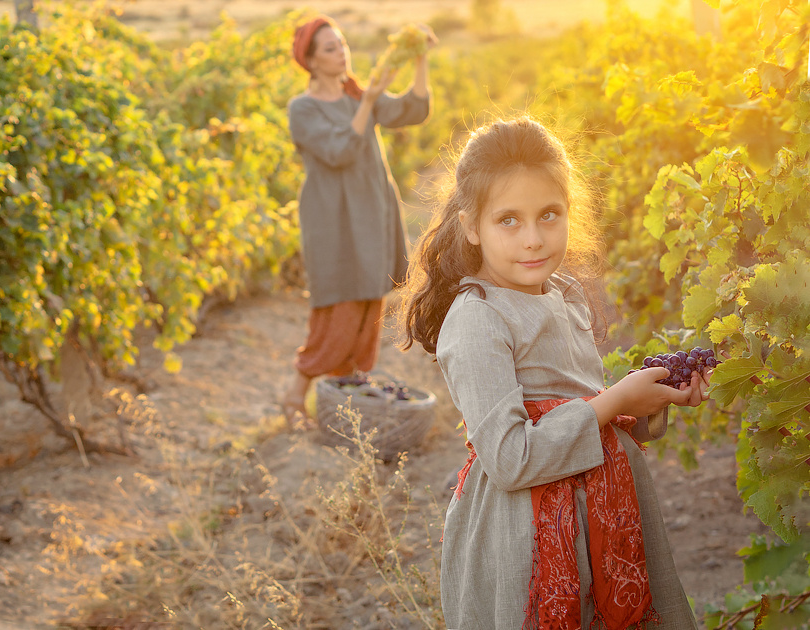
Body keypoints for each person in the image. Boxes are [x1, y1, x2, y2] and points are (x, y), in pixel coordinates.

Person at [398, 116, 709, 629]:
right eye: (509, 221)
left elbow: (584, 406)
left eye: (549, 215)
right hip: (527, 530)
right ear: (471, 225)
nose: (534, 239)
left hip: (606, 512)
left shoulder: (563, 294)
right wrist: (615, 402)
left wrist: (644, 401)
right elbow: (511, 458)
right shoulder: (477, 318)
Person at [281, 15, 435, 424]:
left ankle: (345, 397)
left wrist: (419, 60)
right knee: (339, 303)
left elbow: (411, 110)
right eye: (330, 48)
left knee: (370, 297)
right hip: (332, 221)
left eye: (342, 44)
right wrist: (368, 102)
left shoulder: (357, 95)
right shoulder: (303, 109)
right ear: (311, 61)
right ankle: (296, 393)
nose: (341, 52)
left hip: (372, 210)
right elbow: (339, 152)